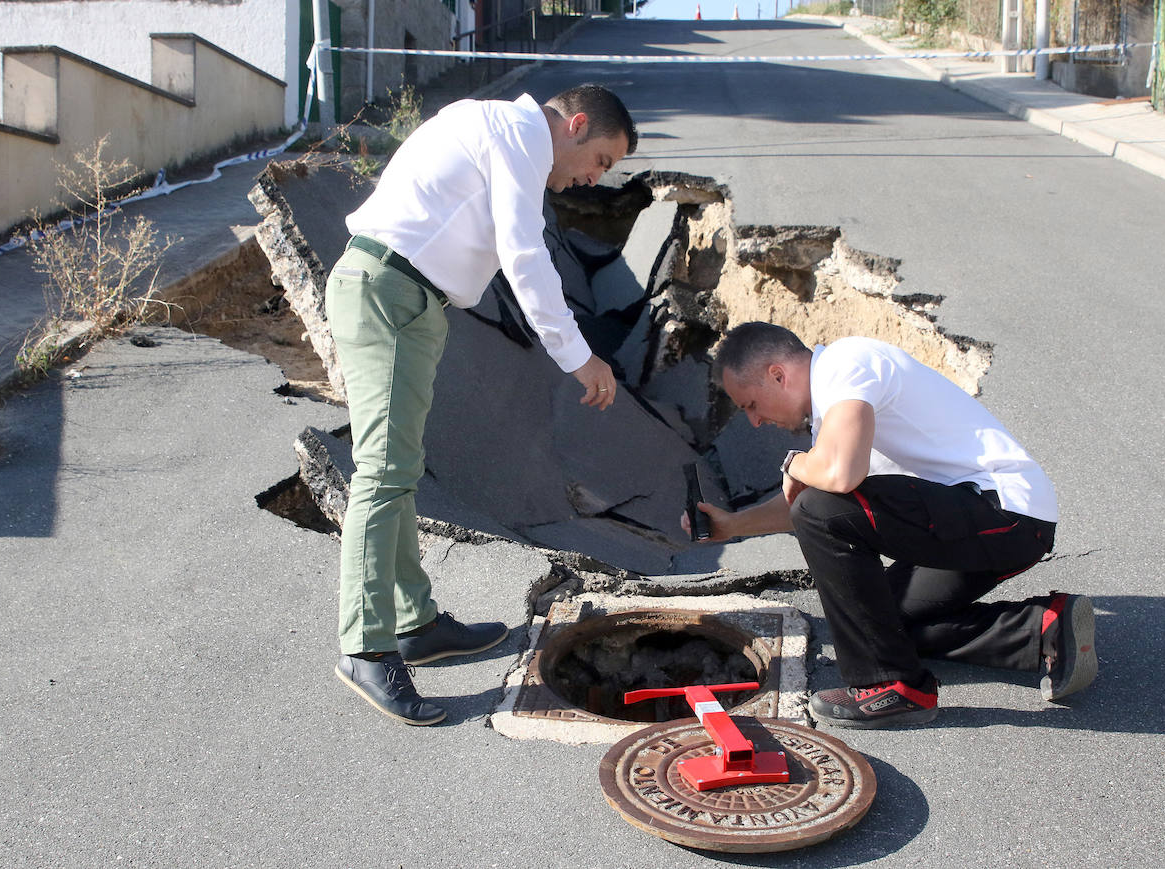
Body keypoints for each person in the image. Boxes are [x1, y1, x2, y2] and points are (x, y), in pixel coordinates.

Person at [327, 84, 638, 725]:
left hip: (407, 298)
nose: (591, 179)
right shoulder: (519, 136)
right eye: (601, 160)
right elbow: (524, 256)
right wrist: (579, 357)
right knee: (382, 473)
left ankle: (415, 624)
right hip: (387, 292)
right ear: (576, 125)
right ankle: (365, 645)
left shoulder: (498, 130)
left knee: (400, 468)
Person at [687, 323, 1097, 729]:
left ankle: (891, 687)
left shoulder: (846, 364)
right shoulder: (833, 412)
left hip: (1006, 511)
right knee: (877, 624)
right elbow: (811, 499)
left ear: (778, 375)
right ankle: (1044, 631)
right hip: (974, 522)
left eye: (750, 406)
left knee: (821, 509)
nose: (756, 422)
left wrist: (793, 463)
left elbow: (835, 482)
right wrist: (731, 526)